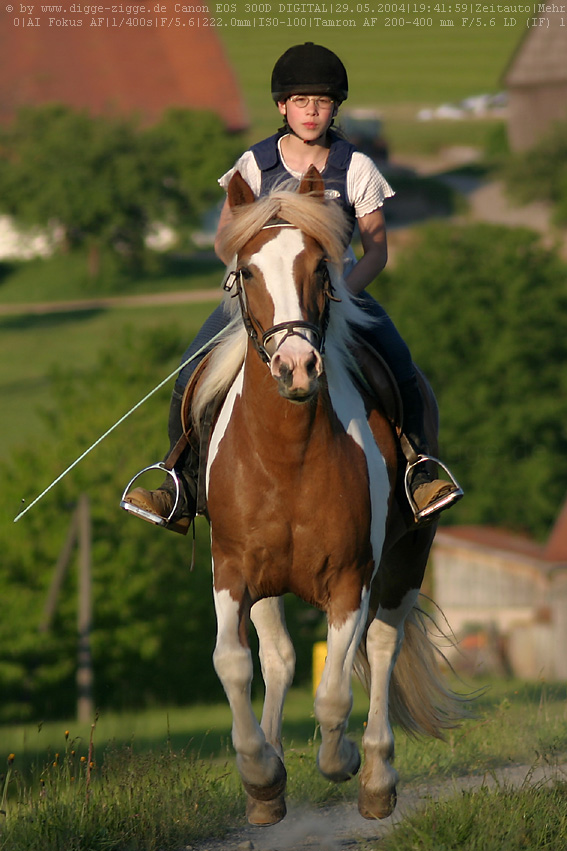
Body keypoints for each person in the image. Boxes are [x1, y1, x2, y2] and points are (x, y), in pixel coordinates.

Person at [122, 42, 462, 534]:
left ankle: (418, 472)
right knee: (188, 376)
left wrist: (343, 290)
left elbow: (378, 252)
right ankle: (179, 482)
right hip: (261, 301)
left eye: (322, 102)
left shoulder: (356, 168)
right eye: (301, 101)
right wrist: (252, 280)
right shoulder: (255, 164)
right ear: (282, 106)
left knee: (402, 369)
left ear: (335, 108)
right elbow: (225, 240)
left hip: (334, 294)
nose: (311, 112)